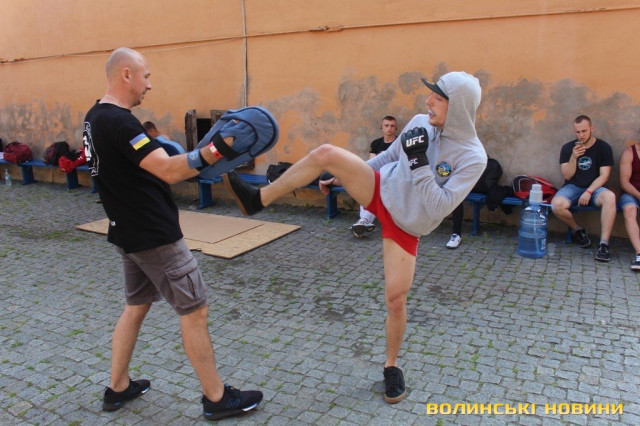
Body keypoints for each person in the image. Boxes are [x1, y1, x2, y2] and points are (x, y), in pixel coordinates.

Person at [222, 71, 487, 404]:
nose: (428, 101)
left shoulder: (473, 156)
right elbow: (389, 158)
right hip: (381, 189)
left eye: (437, 96)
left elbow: (439, 207)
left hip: (408, 224)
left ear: (457, 105)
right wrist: (341, 176)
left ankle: (391, 366)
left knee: (396, 301)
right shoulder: (421, 122)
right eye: (431, 94)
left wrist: (419, 162)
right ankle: (257, 199)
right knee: (326, 154)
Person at [82, 47, 263, 421]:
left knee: (136, 305)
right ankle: (216, 398)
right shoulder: (120, 122)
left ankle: (117, 386)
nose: (150, 84)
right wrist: (216, 149)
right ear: (126, 74)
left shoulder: (94, 117)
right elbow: (167, 169)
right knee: (195, 310)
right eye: (146, 76)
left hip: (127, 232)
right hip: (155, 237)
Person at [550, 115, 616, 262]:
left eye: (584, 131)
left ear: (592, 129)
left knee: (610, 197)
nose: (581, 135)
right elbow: (567, 175)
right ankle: (578, 230)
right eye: (578, 132)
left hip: (595, 188)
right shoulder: (568, 148)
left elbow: (604, 176)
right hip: (573, 187)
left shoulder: (603, 147)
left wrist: (589, 191)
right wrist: (573, 157)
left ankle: (604, 245)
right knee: (556, 205)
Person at [350, 115, 398, 237]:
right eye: (386, 125)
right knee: (367, 187)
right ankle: (364, 221)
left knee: (375, 189)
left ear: (396, 128)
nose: (389, 128)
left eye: (392, 126)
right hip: (377, 176)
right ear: (381, 127)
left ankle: (365, 220)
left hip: (393, 177)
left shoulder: (399, 144)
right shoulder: (376, 143)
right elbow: (372, 164)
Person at [619, 131, 640, 270]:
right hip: (631, 193)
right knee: (629, 209)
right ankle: (639, 254)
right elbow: (624, 182)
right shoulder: (629, 153)